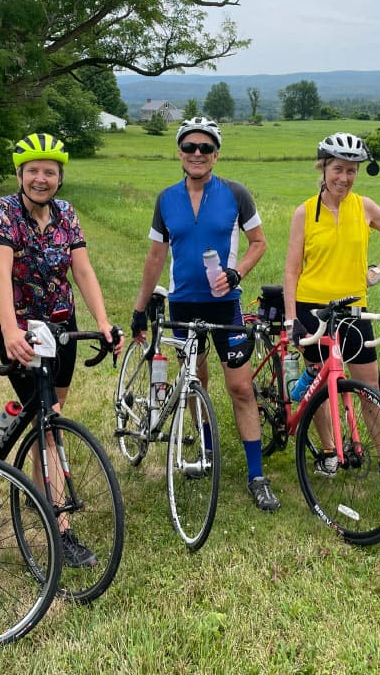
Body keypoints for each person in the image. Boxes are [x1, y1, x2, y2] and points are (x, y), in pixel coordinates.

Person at [130, 117, 280, 512]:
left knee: (242, 388)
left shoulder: (235, 193)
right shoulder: (166, 200)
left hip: (225, 306)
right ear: (180, 152)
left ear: (216, 154)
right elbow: (156, 256)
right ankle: (208, 452)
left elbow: (259, 242)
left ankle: (257, 476)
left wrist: (236, 272)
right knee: (195, 379)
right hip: (183, 305)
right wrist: (140, 308)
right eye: (190, 147)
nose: (197, 154)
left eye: (205, 148)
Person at [0, 132, 122, 565]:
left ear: (60, 178)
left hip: (61, 329)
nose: (40, 179)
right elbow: (0, 273)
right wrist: (10, 330)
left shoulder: (67, 215)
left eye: (49, 172)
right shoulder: (5, 212)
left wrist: (102, 323)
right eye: (33, 171)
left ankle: (36, 485)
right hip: (23, 331)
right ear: (20, 175)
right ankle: (60, 527)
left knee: (51, 418)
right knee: (48, 425)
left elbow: (82, 271)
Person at [283, 133, 380, 482]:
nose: (344, 178)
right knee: (321, 387)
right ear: (323, 168)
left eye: (352, 171)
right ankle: (328, 451)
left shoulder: (365, 207)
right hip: (313, 309)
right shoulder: (305, 212)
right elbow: (292, 270)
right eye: (338, 169)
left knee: (369, 390)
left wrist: (379, 270)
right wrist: (292, 317)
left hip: (354, 310)